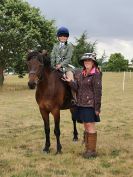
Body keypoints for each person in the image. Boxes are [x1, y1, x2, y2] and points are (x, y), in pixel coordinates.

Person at [64, 52, 102, 158]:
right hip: (81, 104)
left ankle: (92, 151)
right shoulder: (81, 74)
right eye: (85, 61)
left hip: (90, 105)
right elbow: (77, 88)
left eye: (89, 60)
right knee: (86, 125)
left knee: (90, 126)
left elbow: (98, 92)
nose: (87, 62)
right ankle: (87, 149)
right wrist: (70, 82)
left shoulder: (96, 74)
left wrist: (97, 107)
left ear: (93, 62)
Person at [51, 27, 75, 102]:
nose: (63, 37)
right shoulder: (55, 45)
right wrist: (53, 66)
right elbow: (53, 56)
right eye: (61, 36)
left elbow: (68, 58)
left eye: (65, 36)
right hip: (56, 67)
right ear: (58, 37)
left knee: (70, 79)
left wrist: (60, 65)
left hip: (67, 67)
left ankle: (74, 97)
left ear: (67, 37)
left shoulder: (69, 45)